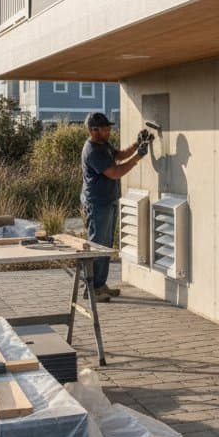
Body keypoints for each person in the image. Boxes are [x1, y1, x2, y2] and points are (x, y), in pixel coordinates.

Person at [80, 111, 148, 300]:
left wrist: (136, 144)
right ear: (93, 130)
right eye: (105, 129)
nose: (109, 131)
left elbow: (118, 155)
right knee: (97, 246)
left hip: (107, 201)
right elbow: (115, 172)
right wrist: (137, 157)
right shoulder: (92, 151)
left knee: (106, 246)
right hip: (97, 204)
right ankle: (92, 290)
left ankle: (100, 285)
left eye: (108, 128)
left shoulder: (103, 145)